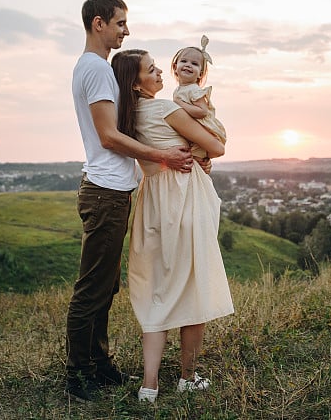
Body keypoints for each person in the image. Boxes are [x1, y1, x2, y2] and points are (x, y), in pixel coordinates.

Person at [65, 0, 195, 403]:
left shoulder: (94, 68)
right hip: (104, 192)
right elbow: (108, 136)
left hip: (111, 191)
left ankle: (99, 364)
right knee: (92, 288)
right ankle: (78, 373)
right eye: (121, 23)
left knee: (105, 288)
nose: (126, 30)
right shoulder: (98, 70)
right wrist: (162, 156)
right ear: (98, 23)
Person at [111, 49, 234, 404]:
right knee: (192, 286)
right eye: (151, 70)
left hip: (152, 205)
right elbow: (216, 145)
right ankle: (187, 376)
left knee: (157, 291)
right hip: (183, 201)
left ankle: (149, 385)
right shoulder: (165, 109)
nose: (160, 73)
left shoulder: (126, 117)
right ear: (136, 82)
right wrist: (201, 156)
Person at [170, 35, 227, 160]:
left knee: (197, 158)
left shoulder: (194, 90)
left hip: (202, 130)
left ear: (200, 74)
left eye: (194, 64)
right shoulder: (179, 90)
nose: (188, 65)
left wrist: (180, 104)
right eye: (184, 61)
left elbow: (202, 111)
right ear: (175, 67)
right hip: (190, 131)